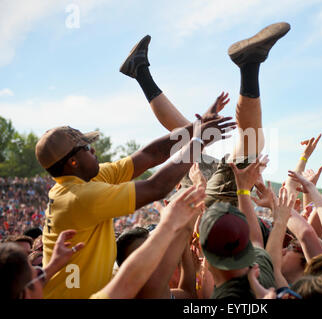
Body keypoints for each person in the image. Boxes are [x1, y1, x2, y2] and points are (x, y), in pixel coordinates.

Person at [117, 22, 290, 299]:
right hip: (205, 202)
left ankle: (250, 65)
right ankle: (140, 71)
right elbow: (258, 241)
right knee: (189, 135)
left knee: (247, 145)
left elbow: (255, 242)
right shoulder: (204, 284)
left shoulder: (226, 280)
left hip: (215, 203)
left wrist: (214, 195)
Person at [36, 58, 234, 298]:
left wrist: (197, 126)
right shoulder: (79, 197)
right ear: (73, 162)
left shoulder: (88, 179)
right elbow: (158, 187)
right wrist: (199, 141)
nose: (94, 150)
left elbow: (151, 154)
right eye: (87, 147)